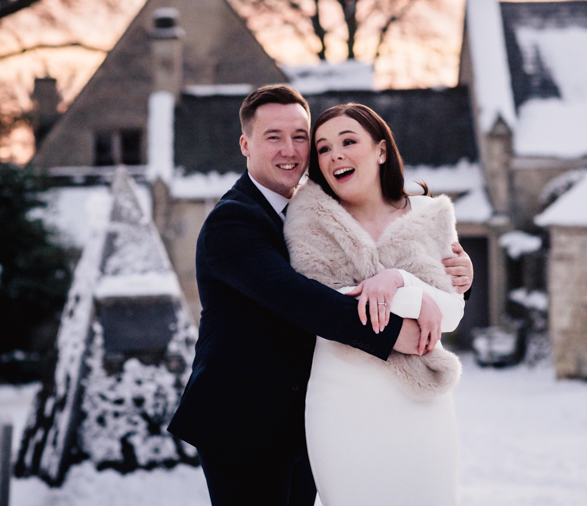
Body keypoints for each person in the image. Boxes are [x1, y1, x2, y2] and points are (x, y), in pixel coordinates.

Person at [167, 86, 473, 506]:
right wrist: (396, 330)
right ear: (245, 144)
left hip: (302, 420)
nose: (290, 149)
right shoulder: (233, 221)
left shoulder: (310, 210)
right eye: (273, 136)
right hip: (243, 420)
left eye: (300, 136)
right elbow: (301, 299)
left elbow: (389, 232)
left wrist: (453, 278)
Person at [283, 103, 468, 506]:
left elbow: (451, 312)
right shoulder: (307, 222)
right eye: (324, 148)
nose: (336, 155)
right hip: (343, 404)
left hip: (423, 407)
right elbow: (328, 306)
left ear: (381, 150)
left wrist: (402, 283)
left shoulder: (429, 214)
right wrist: (416, 303)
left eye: (349, 141)